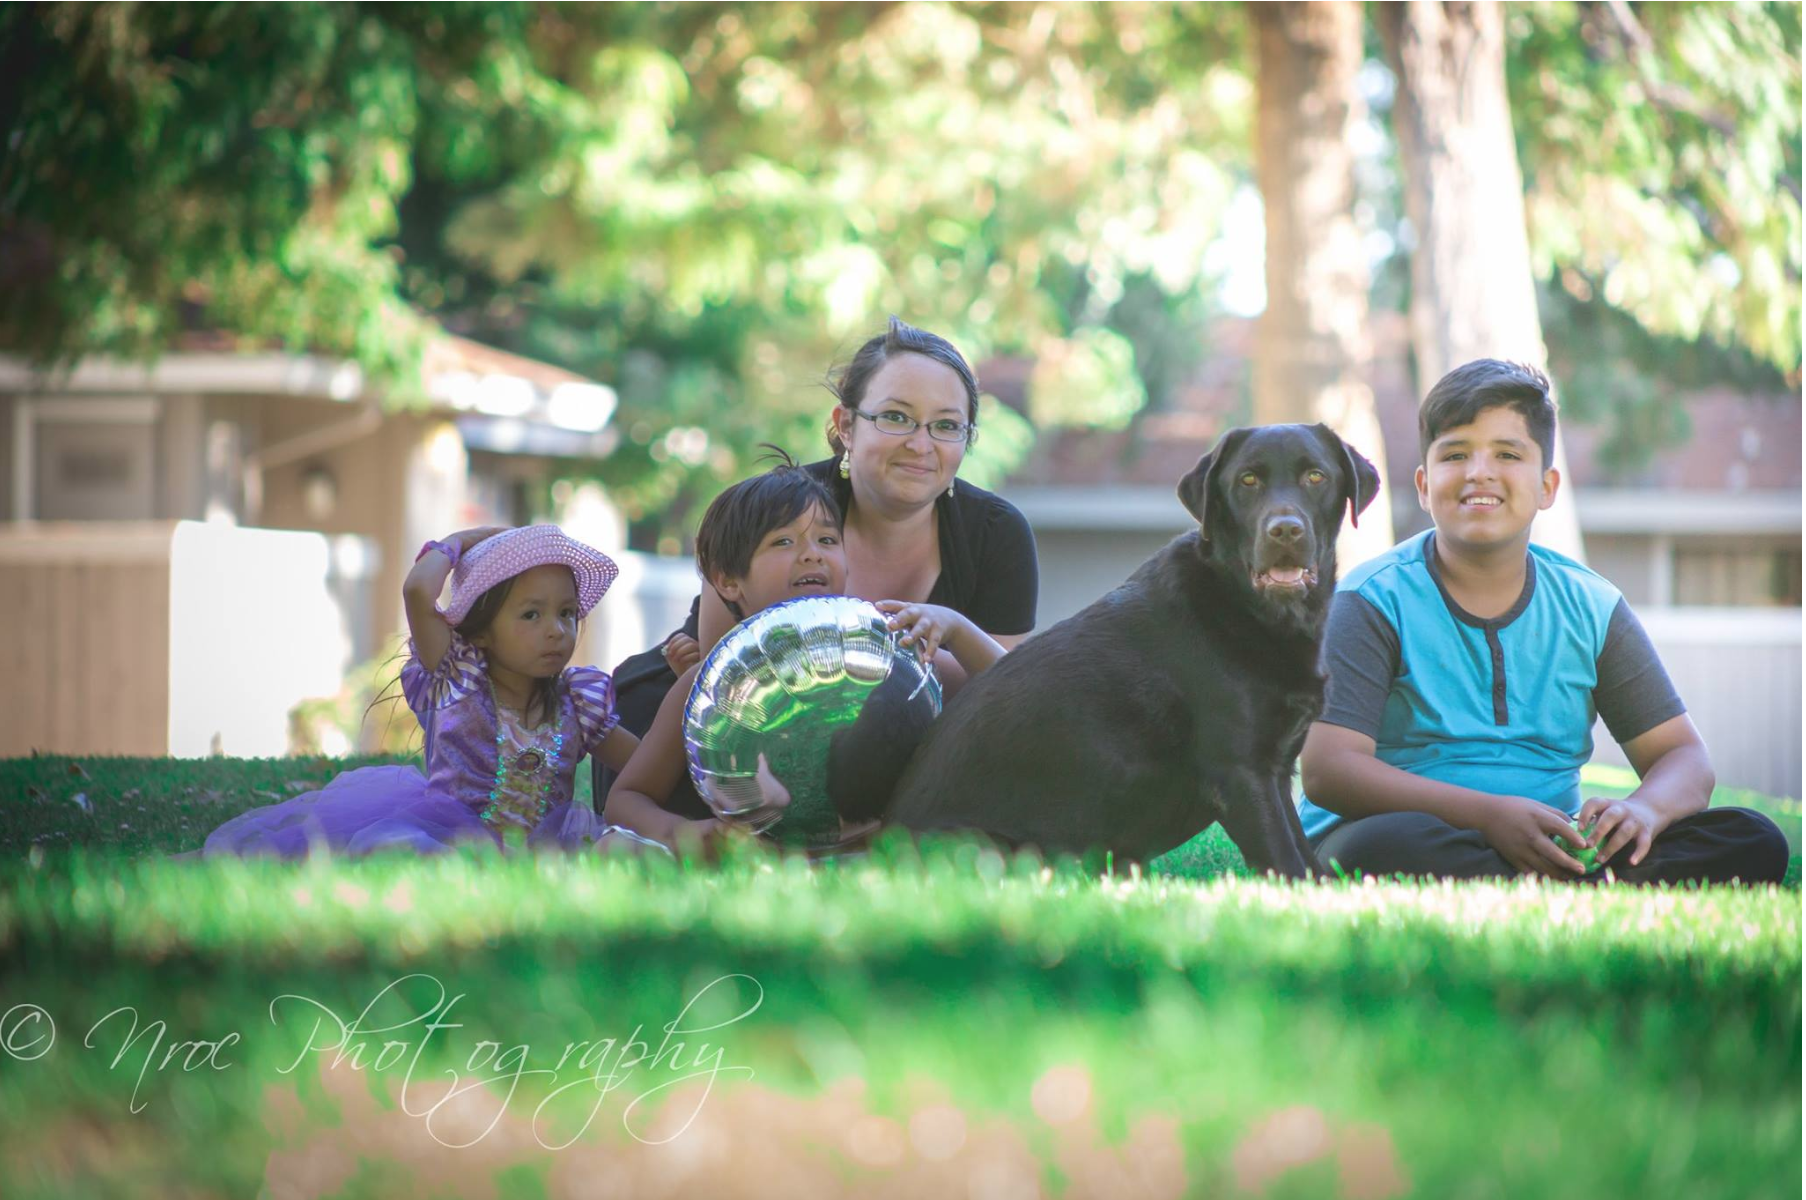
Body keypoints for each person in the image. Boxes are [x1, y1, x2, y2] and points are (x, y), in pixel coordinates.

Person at [1296, 359, 1788, 885]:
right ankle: (1583, 886)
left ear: (1548, 485)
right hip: (1407, 831)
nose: (1479, 471)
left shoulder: (1591, 606)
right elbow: (1330, 772)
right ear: (1423, 484)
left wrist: (1643, 811)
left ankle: (1557, 877)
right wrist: (1488, 815)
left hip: (1551, 837)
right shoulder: (1373, 600)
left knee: (1753, 837)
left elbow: (1684, 758)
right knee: (1379, 848)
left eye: (1507, 454)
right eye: (1455, 454)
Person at [597, 316, 1039, 811]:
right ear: (846, 425)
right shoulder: (780, 507)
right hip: (733, 714)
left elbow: (1007, 696)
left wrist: (951, 631)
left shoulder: (998, 533)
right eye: (895, 417)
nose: (921, 443)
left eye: (946, 425)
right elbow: (729, 688)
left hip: (908, 740)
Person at [603, 453, 1008, 854]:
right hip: (766, 865)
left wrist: (956, 628)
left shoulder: (887, 656)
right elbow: (626, 800)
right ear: (727, 581)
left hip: (878, 858)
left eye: (828, 540)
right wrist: (684, 834)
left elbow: (1011, 688)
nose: (813, 553)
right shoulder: (710, 684)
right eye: (783, 541)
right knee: (615, 848)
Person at [201, 525, 663, 857]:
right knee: (397, 851)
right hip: (450, 835)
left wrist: (682, 681)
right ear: (480, 632)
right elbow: (419, 590)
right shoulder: (458, 678)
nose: (556, 631)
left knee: (627, 852)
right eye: (531, 615)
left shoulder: (577, 703)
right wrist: (461, 543)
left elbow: (647, 767)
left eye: (566, 613)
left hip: (549, 841)